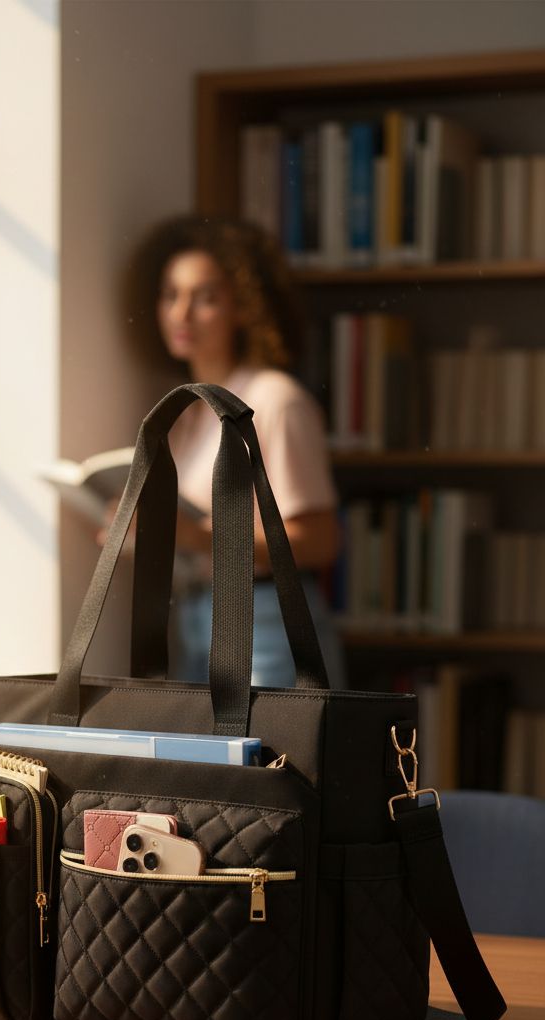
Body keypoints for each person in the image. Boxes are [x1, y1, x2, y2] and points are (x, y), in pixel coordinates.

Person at [125, 214, 346, 689]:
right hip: (193, 616)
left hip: (262, 619)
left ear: (244, 306)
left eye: (205, 297)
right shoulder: (184, 410)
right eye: (170, 294)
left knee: (271, 761)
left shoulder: (274, 399)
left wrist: (196, 535)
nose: (181, 314)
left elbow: (320, 539)